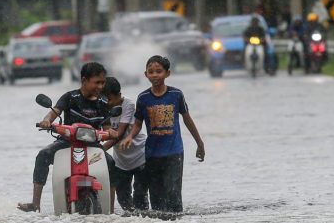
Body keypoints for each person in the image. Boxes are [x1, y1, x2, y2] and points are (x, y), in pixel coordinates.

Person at [18, 62, 118, 212]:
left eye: (102, 83)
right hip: (67, 141)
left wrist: (111, 132)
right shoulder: (70, 97)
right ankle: (35, 203)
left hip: (92, 144)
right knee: (43, 155)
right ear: (84, 80)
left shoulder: (103, 102)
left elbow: (107, 126)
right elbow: (54, 112)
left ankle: (110, 209)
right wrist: (47, 121)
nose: (100, 86)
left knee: (111, 163)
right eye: (96, 82)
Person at [119, 55, 205, 213]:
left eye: (158, 71)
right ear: (146, 75)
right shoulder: (143, 98)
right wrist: (130, 136)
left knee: (173, 194)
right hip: (152, 154)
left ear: (167, 73)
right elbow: (138, 123)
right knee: (156, 198)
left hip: (174, 153)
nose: (154, 75)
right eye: (151, 72)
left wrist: (199, 143)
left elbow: (187, 120)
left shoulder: (176, 95)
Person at [102, 77, 148, 211]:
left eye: (110, 99)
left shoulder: (129, 105)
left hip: (140, 156)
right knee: (122, 198)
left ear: (119, 95)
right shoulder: (104, 108)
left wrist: (101, 149)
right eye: (105, 100)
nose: (108, 103)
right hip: (121, 161)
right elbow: (104, 131)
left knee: (140, 196)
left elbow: (119, 134)